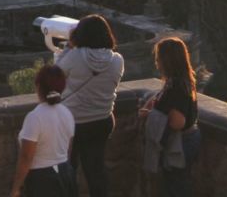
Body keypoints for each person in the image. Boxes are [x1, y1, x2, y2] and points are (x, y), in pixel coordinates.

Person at [54, 14, 125, 197]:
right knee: (96, 169)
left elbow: (55, 74)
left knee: (69, 167)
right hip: (102, 119)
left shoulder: (74, 56)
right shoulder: (117, 60)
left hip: (73, 121)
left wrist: (69, 46)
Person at [139, 37, 199, 197]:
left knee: (175, 186)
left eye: (158, 58)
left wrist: (150, 115)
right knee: (177, 184)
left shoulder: (176, 87)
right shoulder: (182, 82)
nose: (156, 63)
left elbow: (178, 122)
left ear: (167, 61)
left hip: (180, 143)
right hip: (188, 139)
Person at [9, 64, 76, 197]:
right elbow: (68, 149)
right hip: (65, 173)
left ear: (38, 87)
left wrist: (16, 187)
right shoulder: (67, 113)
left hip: (42, 179)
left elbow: (26, 157)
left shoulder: (34, 117)